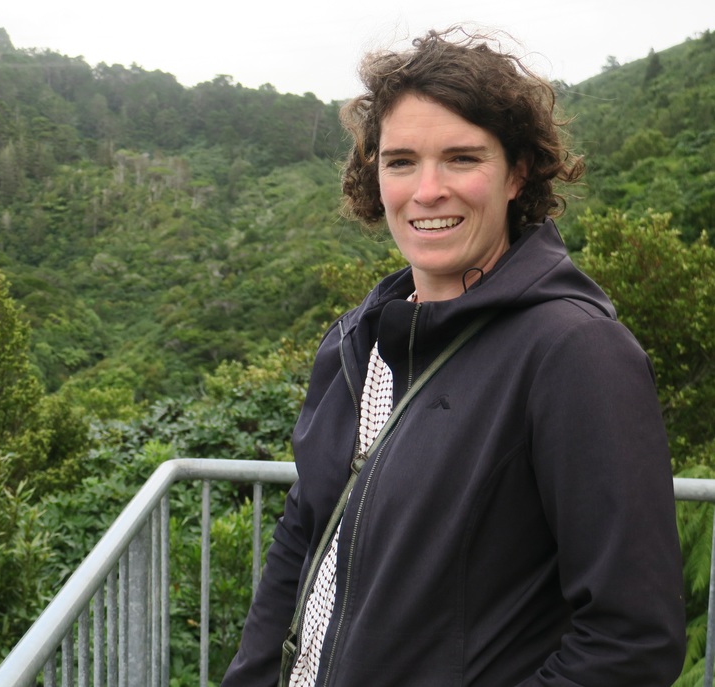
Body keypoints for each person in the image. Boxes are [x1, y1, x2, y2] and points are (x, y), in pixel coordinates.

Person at [222, 27, 686, 687]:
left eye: (463, 158)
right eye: (402, 160)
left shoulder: (574, 352)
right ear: (375, 175)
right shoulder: (357, 341)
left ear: (517, 172)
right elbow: (301, 541)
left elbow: (630, 641)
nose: (428, 190)